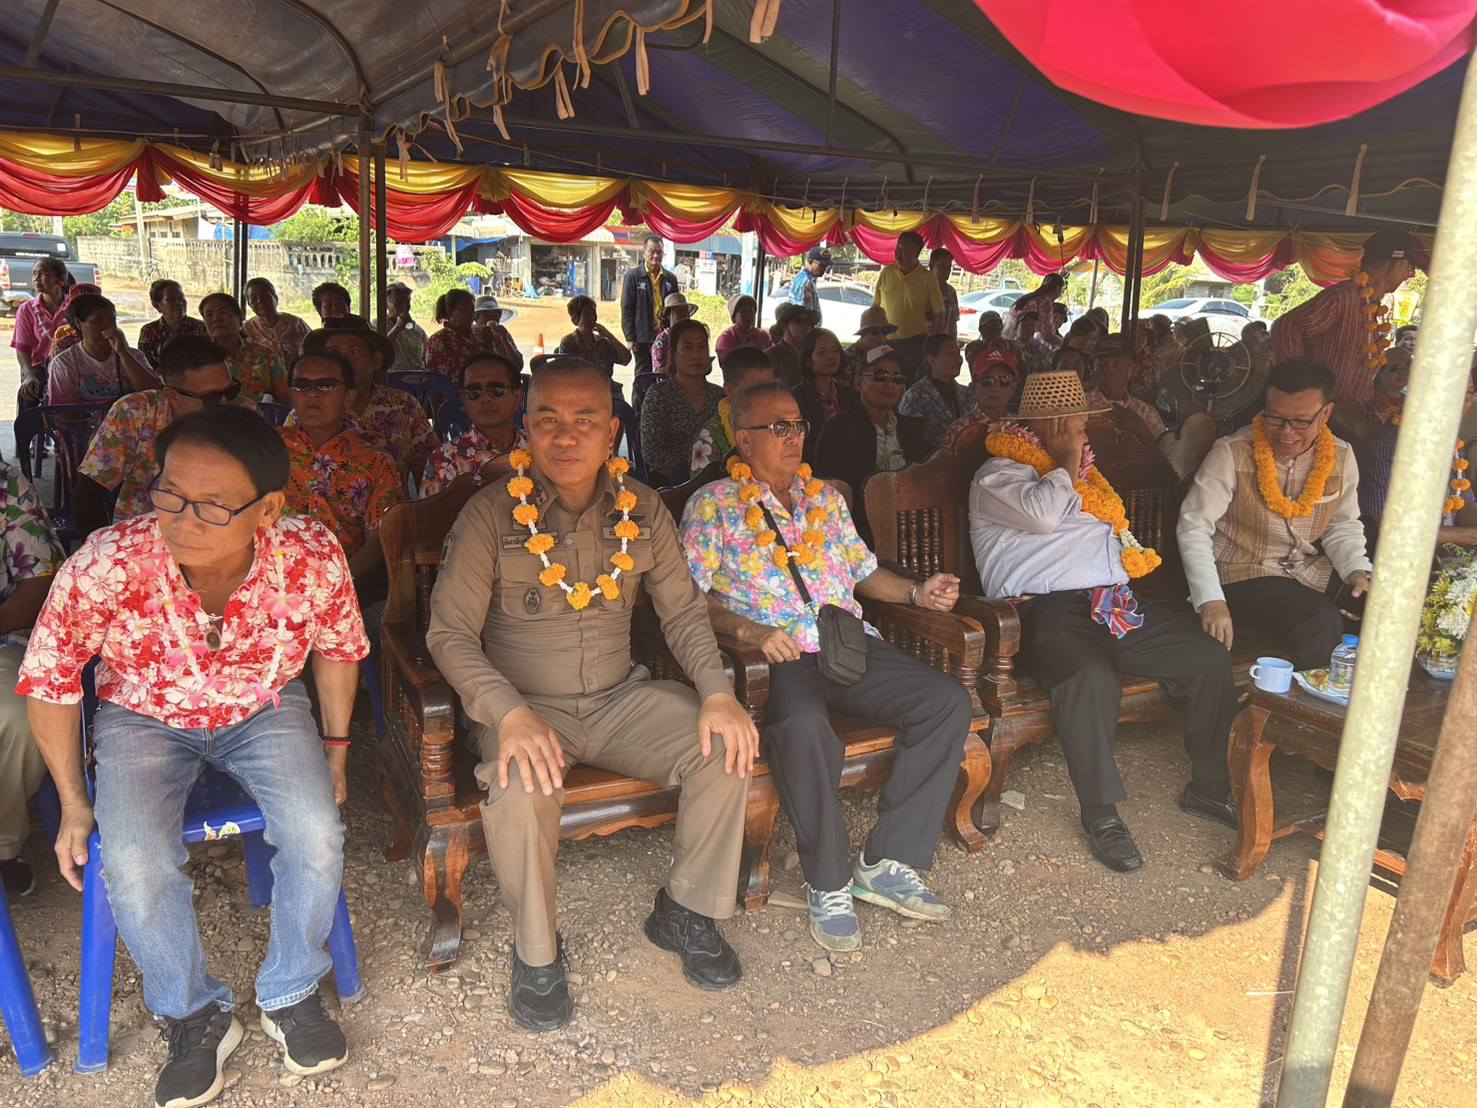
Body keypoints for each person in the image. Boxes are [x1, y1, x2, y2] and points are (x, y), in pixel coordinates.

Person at [22, 406, 367, 1105]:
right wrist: (74, 804)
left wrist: (335, 751)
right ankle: (191, 1014)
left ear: (267, 509)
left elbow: (339, 649)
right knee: (133, 859)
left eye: (212, 505)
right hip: (142, 716)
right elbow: (50, 681)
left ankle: (291, 991)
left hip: (264, 705)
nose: (182, 518)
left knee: (316, 830)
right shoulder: (106, 564)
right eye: (170, 494)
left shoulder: (310, 553)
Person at [425, 357, 758, 1030]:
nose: (566, 436)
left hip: (619, 700)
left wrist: (717, 692)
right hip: (526, 707)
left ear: (612, 432)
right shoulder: (491, 514)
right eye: (548, 419)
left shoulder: (643, 508)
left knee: (724, 747)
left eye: (585, 420)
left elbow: (682, 613)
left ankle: (685, 912)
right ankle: (536, 953)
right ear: (526, 428)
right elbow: (448, 635)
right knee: (520, 789)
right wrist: (508, 714)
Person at [680, 377, 971, 952]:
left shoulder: (825, 499)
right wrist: (752, 632)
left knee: (946, 702)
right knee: (803, 727)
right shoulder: (713, 505)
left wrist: (917, 594)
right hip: (777, 656)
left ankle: (887, 862)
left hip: (847, 644)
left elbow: (863, 573)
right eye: (778, 427)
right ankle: (829, 879)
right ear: (744, 439)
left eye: (798, 425)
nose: (794, 437)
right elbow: (687, 600)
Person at [968, 369, 1238, 871]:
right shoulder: (998, 474)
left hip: (1111, 604)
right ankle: (1101, 814)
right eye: (1071, 423)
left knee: (1206, 658)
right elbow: (1044, 515)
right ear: (1041, 426)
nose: (1081, 431)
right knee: (1088, 677)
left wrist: (1071, 462)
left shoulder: (1089, 478)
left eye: (1081, 422)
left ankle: (1209, 786)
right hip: (1043, 609)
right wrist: (1066, 458)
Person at [1178, 360, 1373, 670]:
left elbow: (1343, 525)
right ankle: (1306, 697)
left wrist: (1356, 570)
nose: (1286, 432)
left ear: (1325, 414)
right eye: (1276, 418)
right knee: (1319, 619)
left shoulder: (1341, 455)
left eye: (1300, 422)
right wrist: (1210, 599)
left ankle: (1358, 694)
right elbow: (1194, 527)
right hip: (1242, 573)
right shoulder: (1231, 452)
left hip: (1308, 570)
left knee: (1380, 607)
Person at [74, 336, 255, 534]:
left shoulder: (246, 414)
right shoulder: (135, 412)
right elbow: (88, 494)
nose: (225, 403)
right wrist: (103, 547)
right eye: (211, 397)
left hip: (226, 534)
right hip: (144, 537)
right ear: (172, 396)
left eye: (231, 391)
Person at [279, 350, 403, 607]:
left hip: (350, 588)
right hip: (273, 585)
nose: (312, 394)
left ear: (349, 398)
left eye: (325, 385)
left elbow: (379, 540)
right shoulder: (268, 449)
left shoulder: (376, 462)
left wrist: (335, 582)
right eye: (302, 385)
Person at [0, 462, 65, 898]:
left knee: (19, 713)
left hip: (1, 635)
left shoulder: (5, 482)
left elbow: (40, 580)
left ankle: (3, 848)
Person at [1271, 229, 1419, 407]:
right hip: (1319, 412)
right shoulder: (1343, 297)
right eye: (1410, 268)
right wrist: (1300, 383)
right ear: (1394, 265)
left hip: (1350, 414)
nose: (1411, 275)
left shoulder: (1372, 304)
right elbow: (1286, 327)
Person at [813, 345, 928, 547]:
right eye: (880, 376)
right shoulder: (837, 431)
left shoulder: (912, 430)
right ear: (858, 382)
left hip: (910, 535)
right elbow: (831, 496)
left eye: (897, 379)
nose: (889, 384)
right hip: (858, 539)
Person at [303, 318, 438, 478]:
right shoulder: (304, 414)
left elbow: (431, 470)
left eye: (354, 352)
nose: (343, 361)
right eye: (333, 353)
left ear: (375, 361)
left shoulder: (405, 406)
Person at [1086, 335, 1216, 481]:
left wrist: (1141, 431)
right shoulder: (1079, 406)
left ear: (1133, 369)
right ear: (1093, 369)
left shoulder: (1146, 412)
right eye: (1102, 365)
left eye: (1117, 365)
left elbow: (1165, 458)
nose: (1109, 371)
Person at [421, 352, 529, 497]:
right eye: (473, 392)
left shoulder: (540, 448)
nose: (485, 398)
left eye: (496, 390)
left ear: (517, 397)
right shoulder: (444, 460)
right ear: (464, 400)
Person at [639, 319, 725, 486]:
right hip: (670, 485)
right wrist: (695, 471)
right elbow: (652, 452)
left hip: (718, 483)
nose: (696, 354)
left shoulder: (719, 396)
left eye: (702, 347)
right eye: (688, 347)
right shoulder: (659, 395)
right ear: (673, 353)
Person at [45, 293, 156, 404]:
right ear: (78, 323)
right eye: (98, 321)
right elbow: (61, 411)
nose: (108, 326)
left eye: (112, 320)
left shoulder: (134, 356)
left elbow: (155, 396)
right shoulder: (64, 364)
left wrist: (124, 354)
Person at [689, 347, 777, 475]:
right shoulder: (709, 439)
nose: (763, 397)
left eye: (769, 388)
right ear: (730, 391)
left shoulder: (780, 427)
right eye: (754, 390)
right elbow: (703, 487)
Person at [871, 231, 942, 373]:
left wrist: (933, 344)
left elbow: (938, 313)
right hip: (886, 342)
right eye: (897, 249)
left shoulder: (928, 278)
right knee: (886, 379)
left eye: (904, 250)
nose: (898, 254)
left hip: (915, 344)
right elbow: (875, 308)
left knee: (910, 380)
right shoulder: (886, 272)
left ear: (916, 253)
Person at [199, 292, 289, 403]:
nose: (216, 319)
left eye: (222, 312)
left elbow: (285, 396)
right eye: (209, 315)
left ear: (240, 317)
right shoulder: (199, 359)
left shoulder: (265, 354)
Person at [899, 334, 975, 453]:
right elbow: (912, 444)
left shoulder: (967, 394)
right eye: (950, 353)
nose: (959, 359)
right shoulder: (915, 396)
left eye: (958, 353)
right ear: (932, 360)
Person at [793, 327, 858, 463]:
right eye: (822, 352)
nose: (831, 357)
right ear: (808, 361)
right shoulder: (797, 397)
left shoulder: (850, 395)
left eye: (835, 351)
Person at [12, 257, 68, 408]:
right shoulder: (26, 310)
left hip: (72, 365)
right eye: (34, 273)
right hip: (41, 368)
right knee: (27, 392)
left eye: (43, 274)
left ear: (60, 279)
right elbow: (22, 349)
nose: (36, 278)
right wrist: (28, 375)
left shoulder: (73, 307)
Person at [939, 347, 1020, 450]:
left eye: (1004, 380)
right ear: (973, 386)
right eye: (987, 381)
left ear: (1013, 387)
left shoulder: (1020, 427)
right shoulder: (960, 430)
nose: (995, 388)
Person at [620, 234, 679, 373]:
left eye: (659, 252)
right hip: (642, 337)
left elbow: (675, 309)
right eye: (652, 251)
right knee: (643, 375)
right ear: (644, 253)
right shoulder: (633, 277)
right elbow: (627, 309)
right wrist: (630, 338)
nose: (655, 256)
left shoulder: (671, 278)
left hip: (665, 336)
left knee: (665, 374)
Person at [555, 295, 631, 384]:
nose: (592, 318)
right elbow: (563, 375)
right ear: (575, 318)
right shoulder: (568, 343)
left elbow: (626, 359)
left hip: (605, 389)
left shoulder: (603, 342)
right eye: (586, 314)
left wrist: (609, 335)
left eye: (594, 313)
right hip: (579, 390)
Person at [136, 278, 208, 370]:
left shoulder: (200, 327)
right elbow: (145, 366)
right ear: (157, 306)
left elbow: (207, 362)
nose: (179, 302)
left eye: (181, 297)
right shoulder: (149, 331)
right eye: (171, 299)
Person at [243, 278, 312, 365]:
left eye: (265, 296)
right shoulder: (247, 329)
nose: (260, 301)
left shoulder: (296, 324)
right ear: (249, 304)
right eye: (254, 298)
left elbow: (313, 348)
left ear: (275, 298)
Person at [768, 303, 819, 388]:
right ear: (784, 325)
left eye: (809, 322)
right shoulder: (771, 356)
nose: (805, 326)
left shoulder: (815, 353)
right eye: (799, 321)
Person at [843, 305, 897, 385]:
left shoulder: (888, 352)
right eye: (875, 332)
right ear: (863, 334)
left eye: (885, 332)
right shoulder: (847, 356)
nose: (881, 337)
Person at [1005, 273, 1065, 340]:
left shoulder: (1030, 298)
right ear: (1057, 288)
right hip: (1017, 340)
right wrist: (1063, 343)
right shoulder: (1044, 304)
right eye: (1062, 288)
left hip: (1008, 337)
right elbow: (1046, 335)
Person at [715, 294, 774, 363]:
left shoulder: (764, 336)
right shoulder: (726, 337)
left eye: (751, 311)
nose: (748, 315)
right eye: (743, 311)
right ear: (734, 317)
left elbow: (771, 359)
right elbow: (726, 363)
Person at [385, 282, 428, 373]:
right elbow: (378, 349)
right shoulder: (378, 325)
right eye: (398, 302)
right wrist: (397, 328)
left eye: (407, 302)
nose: (404, 306)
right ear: (387, 304)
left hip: (418, 378)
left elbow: (427, 356)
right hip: (392, 378)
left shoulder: (418, 330)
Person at [472, 295, 524, 371]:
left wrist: (505, 340)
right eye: (485, 316)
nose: (491, 319)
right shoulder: (471, 335)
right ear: (476, 319)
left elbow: (518, 366)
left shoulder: (503, 334)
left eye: (495, 315)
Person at [649, 292, 695, 376]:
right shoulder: (661, 341)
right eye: (678, 312)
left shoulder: (692, 337)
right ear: (668, 315)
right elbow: (658, 373)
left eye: (685, 312)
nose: (684, 316)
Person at [789, 246, 831, 315]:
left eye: (826, 266)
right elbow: (803, 314)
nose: (824, 269)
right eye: (821, 265)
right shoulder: (805, 282)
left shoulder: (810, 279)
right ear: (810, 261)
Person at [928, 249, 960, 338]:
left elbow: (953, 322)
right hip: (924, 340)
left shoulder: (951, 292)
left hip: (944, 341)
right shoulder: (923, 290)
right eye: (941, 266)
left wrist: (953, 341)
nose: (945, 271)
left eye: (948, 267)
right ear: (931, 267)